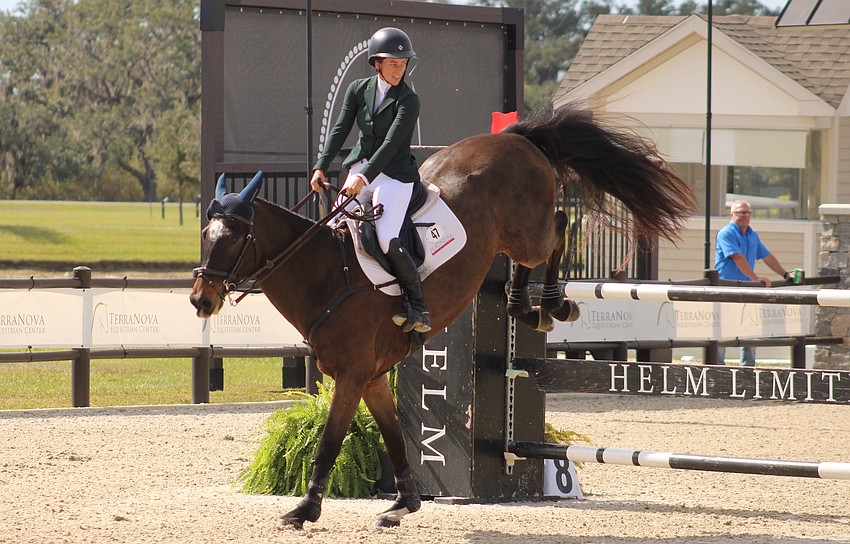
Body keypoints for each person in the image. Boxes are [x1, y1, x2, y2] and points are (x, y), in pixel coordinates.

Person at [309, 27, 430, 334]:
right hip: (362, 168)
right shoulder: (357, 89)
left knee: (387, 237)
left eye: (403, 63)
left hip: (395, 177)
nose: (399, 69)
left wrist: (363, 178)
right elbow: (340, 129)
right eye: (393, 63)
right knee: (333, 227)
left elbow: (390, 145)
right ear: (377, 63)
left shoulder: (409, 100)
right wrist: (321, 166)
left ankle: (417, 304)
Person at [714, 199, 792, 366]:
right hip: (726, 289)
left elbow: (767, 256)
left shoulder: (752, 235)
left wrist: (785, 274)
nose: (743, 216)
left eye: (746, 212)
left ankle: (747, 371)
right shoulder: (725, 233)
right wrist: (756, 279)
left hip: (747, 289)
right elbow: (737, 258)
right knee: (722, 330)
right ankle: (718, 370)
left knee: (750, 330)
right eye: (739, 212)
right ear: (731, 215)